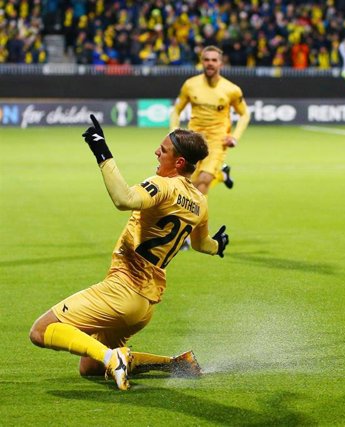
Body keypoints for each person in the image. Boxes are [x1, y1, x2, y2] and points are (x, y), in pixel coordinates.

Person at [29, 115, 230, 390]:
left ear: (179, 162)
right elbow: (201, 244)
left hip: (122, 290)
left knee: (40, 331)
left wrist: (102, 151)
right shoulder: (200, 202)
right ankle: (175, 364)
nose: (156, 152)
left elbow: (124, 199)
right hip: (144, 305)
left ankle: (113, 357)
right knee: (89, 368)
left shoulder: (162, 185)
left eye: (164, 150)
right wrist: (219, 245)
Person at [170, 45, 250, 195]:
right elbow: (176, 110)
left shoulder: (231, 89)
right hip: (193, 139)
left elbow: (244, 114)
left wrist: (234, 137)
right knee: (195, 184)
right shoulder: (190, 85)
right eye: (206, 60)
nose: (210, 63)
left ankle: (189, 208)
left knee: (204, 178)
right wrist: (174, 129)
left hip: (217, 140)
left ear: (220, 63)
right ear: (202, 62)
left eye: (214, 60)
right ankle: (219, 176)